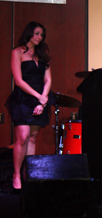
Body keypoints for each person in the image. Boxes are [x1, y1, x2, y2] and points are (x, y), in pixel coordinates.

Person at [5, 21, 55, 190]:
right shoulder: (17, 52)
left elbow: (48, 79)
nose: (39, 37)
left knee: (33, 137)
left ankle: (29, 173)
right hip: (23, 98)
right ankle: (16, 174)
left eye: (42, 34)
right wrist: (38, 97)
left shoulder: (43, 56)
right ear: (29, 33)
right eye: (36, 33)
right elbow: (18, 80)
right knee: (23, 136)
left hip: (41, 98)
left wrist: (44, 98)